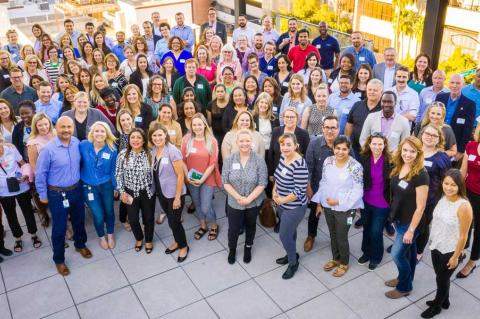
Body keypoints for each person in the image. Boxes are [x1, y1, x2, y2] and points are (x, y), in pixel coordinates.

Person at [35, 116, 91, 276]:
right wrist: (43, 195)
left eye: (69, 127)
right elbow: (40, 174)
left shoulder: (76, 143)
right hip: (57, 194)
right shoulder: (48, 149)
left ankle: (80, 244)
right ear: (56, 129)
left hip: (76, 190)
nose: (66, 130)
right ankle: (59, 260)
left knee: (79, 221)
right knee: (59, 228)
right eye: (62, 127)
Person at [421, 169, 472, 318]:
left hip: (451, 249)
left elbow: (464, 235)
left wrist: (456, 257)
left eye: (453, 185)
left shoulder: (464, 206)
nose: (449, 187)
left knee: (441, 278)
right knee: (441, 276)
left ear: (460, 186)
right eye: (446, 183)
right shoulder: (443, 197)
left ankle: (437, 306)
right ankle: (445, 300)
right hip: (437, 244)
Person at [384, 136, 429, 299]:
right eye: (405, 150)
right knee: (409, 253)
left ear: (418, 153)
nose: (408, 154)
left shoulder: (421, 175)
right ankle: (405, 277)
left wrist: (411, 230)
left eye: (412, 151)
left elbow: (421, 207)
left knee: (397, 254)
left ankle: (405, 286)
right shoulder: (399, 165)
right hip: (398, 218)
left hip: (410, 224)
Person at [313, 135, 363, 277]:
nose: (340, 152)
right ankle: (335, 258)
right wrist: (319, 203)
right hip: (328, 206)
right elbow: (323, 182)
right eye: (338, 148)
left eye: (344, 149)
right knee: (333, 233)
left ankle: (344, 262)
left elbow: (358, 191)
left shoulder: (355, 166)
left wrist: (339, 201)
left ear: (349, 150)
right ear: (333, 148)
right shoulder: (328, 161)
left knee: (341, 236)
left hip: (346, 209)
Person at [223, 129, 267, 264]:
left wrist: (248, 199)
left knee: (251, 226)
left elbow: (262, 183)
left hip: (253, 203)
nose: (244, 144)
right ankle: (232, 249)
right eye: (241, 141)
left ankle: (248, 247)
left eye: (247, 141)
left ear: (252, 142)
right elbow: (225, 181)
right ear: (237, 142)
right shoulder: (230, 160)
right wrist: (238, 197)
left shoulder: (259, 160)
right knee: (233, 228)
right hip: (234, 202)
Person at [149, 122, 189, 262]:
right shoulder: (154, 149)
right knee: (172, 221)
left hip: (174, 194)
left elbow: (180, 176)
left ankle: (183, 246)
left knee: (174, 222)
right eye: (154, 135)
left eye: (160, 134)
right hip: (162, 193)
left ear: (165, 135)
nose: (157, 138)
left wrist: (178, 198)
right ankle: (178, 241)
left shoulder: (172, 151)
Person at [273, 133, 308, 279]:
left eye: (288, 144)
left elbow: (299, 190)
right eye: (282, 144)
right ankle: (291, 253)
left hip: (294, 207)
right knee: (290, 232)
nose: (285, 147)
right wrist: (275, 189)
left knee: (284, 235)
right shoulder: (283, 157)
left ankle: (293, 262)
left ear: (296, 146)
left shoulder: (299, 164)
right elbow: (278, 176)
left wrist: (282, 200)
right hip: (282, 203)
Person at [181, 113, 222, 241]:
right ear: (191, 126)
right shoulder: (186, 139)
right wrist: (188, 177)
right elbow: (182, 159)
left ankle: (214, 224)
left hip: (207, 178)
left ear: (204, 125)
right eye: (194, 125)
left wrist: (201, 179)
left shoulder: (212, 141)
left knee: (206, 206)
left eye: (200, 124)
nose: (197, 127)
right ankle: (203, 225)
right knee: (197, 203)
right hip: (191, 178)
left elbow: (213, 163)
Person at [116, 127, 155, 253]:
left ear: (144, 140)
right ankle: (139, 238)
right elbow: (118, 174)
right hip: (129, 192)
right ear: (129, 140)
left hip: (147, 192)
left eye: (139, 137)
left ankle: (148, 240)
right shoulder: (123, 155)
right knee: (133, 219)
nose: (135, 140)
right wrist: (122, 191)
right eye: (133, 137)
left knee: (148, 218)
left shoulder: (150, 153)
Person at [304, 116, 340, 252]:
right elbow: (308, 167)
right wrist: (308, 188)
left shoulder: (344, 143)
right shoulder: (314, 143)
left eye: (333, 128)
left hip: (337, 190)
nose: (330, 131)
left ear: (338, 129)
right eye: (327, 127)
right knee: (314, 214)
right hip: (317, 188)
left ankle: (336, 238)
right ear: (322, 128)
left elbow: (351, 165)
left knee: (336, 216)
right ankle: (311, 236)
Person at [0, 134, 41, 253]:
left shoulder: (11, 149)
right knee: (11, 215)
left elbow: (23, 163)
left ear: (2, 140)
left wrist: (25, 175)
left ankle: (33, 234)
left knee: (27, 211)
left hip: (21, 185)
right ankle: (17, 238)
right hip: (4, 191)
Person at [415, 125, 451, 261]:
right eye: (427, 133)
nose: (429, 137)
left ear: (439, 139)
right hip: (410, 197)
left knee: (423, 226)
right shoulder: (414, 151)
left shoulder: (442, 158)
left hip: (429, 200)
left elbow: (446, 181)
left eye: (434, 135)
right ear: (422, 134)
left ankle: (418, 251)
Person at [79, 121, 117, 249]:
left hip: (106, 185)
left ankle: (110, 234)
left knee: (109, 211)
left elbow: (113, 170)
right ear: (92, 133)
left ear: (107, 134)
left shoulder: (112, 150)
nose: (99, 133)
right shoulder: (83, 145)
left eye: (102, 131)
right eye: (97, 131)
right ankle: (102, 236)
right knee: (98, 214)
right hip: (88, 187)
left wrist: (116, 187)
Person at [358, 133, 391, 270]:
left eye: (380, 144)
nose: (377, 147)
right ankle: (366, 251)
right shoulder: (363, 158)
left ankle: (376, 256)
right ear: (369, 144)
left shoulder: (390, 161)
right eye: (374, 144)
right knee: (366, 228)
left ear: (384, 145)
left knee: (376, 231)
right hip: (366, 200)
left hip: (382, 203)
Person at [435, 74, 476, 163]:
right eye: (452, 82)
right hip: (435, 141)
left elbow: (467, 130)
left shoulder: (469, 104)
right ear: (448, 84)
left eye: (458, 83)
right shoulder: (440, 97)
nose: (454, 86)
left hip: (454, 145)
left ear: (463, 85)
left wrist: (460, 150)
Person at [458, 125, 480, 278]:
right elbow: (462, 171)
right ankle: (462, 250)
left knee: (479, 230)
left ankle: (472, 261)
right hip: (468, 193)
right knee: (464, 224)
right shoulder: (471, 146)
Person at [27, 112, 55, 227]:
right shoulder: (33, 142)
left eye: (46, 124)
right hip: (46, 178)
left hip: (61, 175)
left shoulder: (55, 134)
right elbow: (33, 165)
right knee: (51, 204)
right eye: (40, 125)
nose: (44, 127)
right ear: (35, 126)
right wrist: (42, 183)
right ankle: (47, 217)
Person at [345, 78, 383, 158]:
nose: (372, 92)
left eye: (375, 90)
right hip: (355, 150)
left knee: (373, 171)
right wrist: (348, 143)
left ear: (381, 92)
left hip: (375, 153)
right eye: (369, 89)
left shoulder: (384, 109)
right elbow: (349, 125)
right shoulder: (357, 105)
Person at [115, 109, 134, 231]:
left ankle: (133, 218)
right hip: (124, 173)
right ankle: (123, 219)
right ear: (119, 122)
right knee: (125, 198)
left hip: (137, 171)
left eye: (128, 119)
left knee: (136, 198)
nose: (126, 122)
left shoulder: (139, 132)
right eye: (123, 120)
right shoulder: (117, 137)